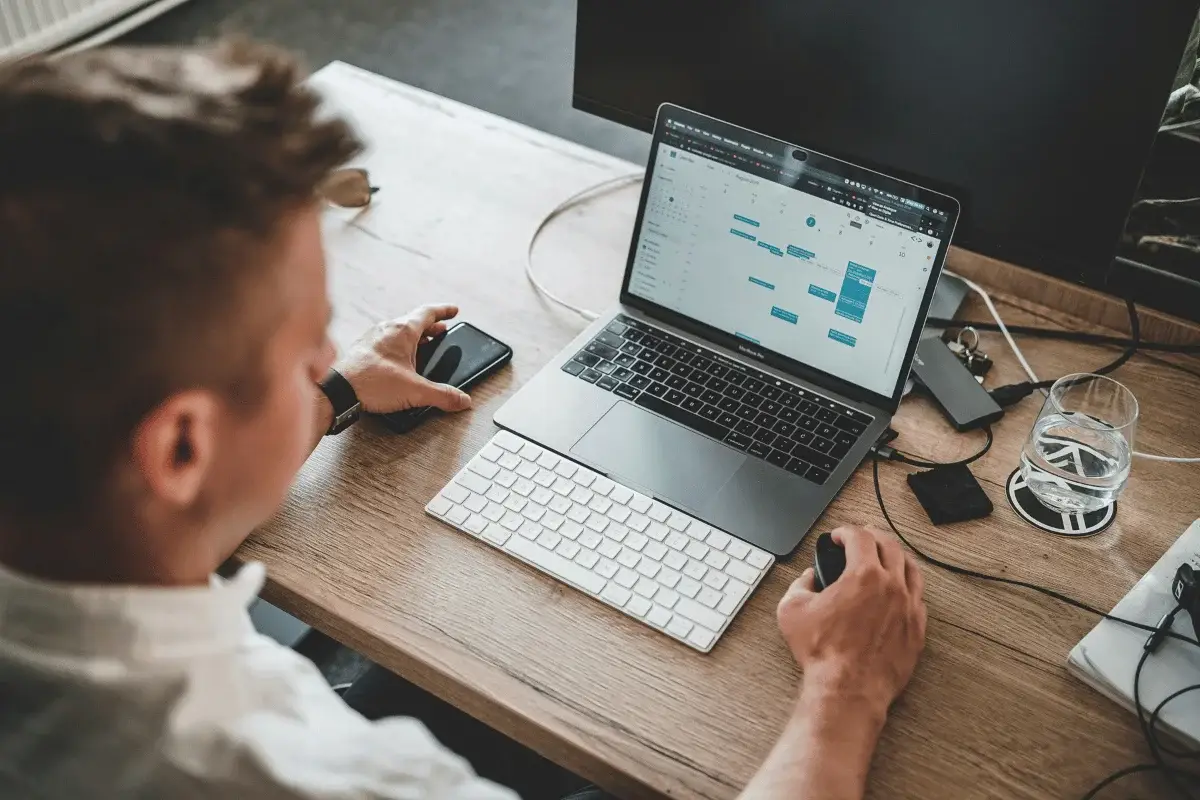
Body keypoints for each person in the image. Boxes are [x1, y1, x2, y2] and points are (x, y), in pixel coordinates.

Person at [0, 39, 926, 800]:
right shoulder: (307, 773)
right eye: (307, 348)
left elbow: (154, 505)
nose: (332, 357)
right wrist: (848, 687)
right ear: (181, 445)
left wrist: (331, 397)